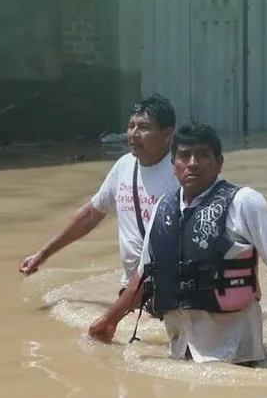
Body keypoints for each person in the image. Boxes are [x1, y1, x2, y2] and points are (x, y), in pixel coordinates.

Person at [86, 122, 267, 365]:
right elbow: (143, 278)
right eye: (184, 156)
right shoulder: (162, 210)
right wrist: (109, 322)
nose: (193, 164)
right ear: (173, 165)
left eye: (203, 155)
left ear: (219, 163)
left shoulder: (244, 202)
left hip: (237, 356)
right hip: (179, 352)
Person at [19, 95, 180, 290]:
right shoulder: (124, 166)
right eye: (131, 126)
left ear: (167, 134)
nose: (134, 134)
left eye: (144, 128)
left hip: (171, 288)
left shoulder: (183, 172)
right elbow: (90, 215)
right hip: (133, 287)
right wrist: (42, 255)